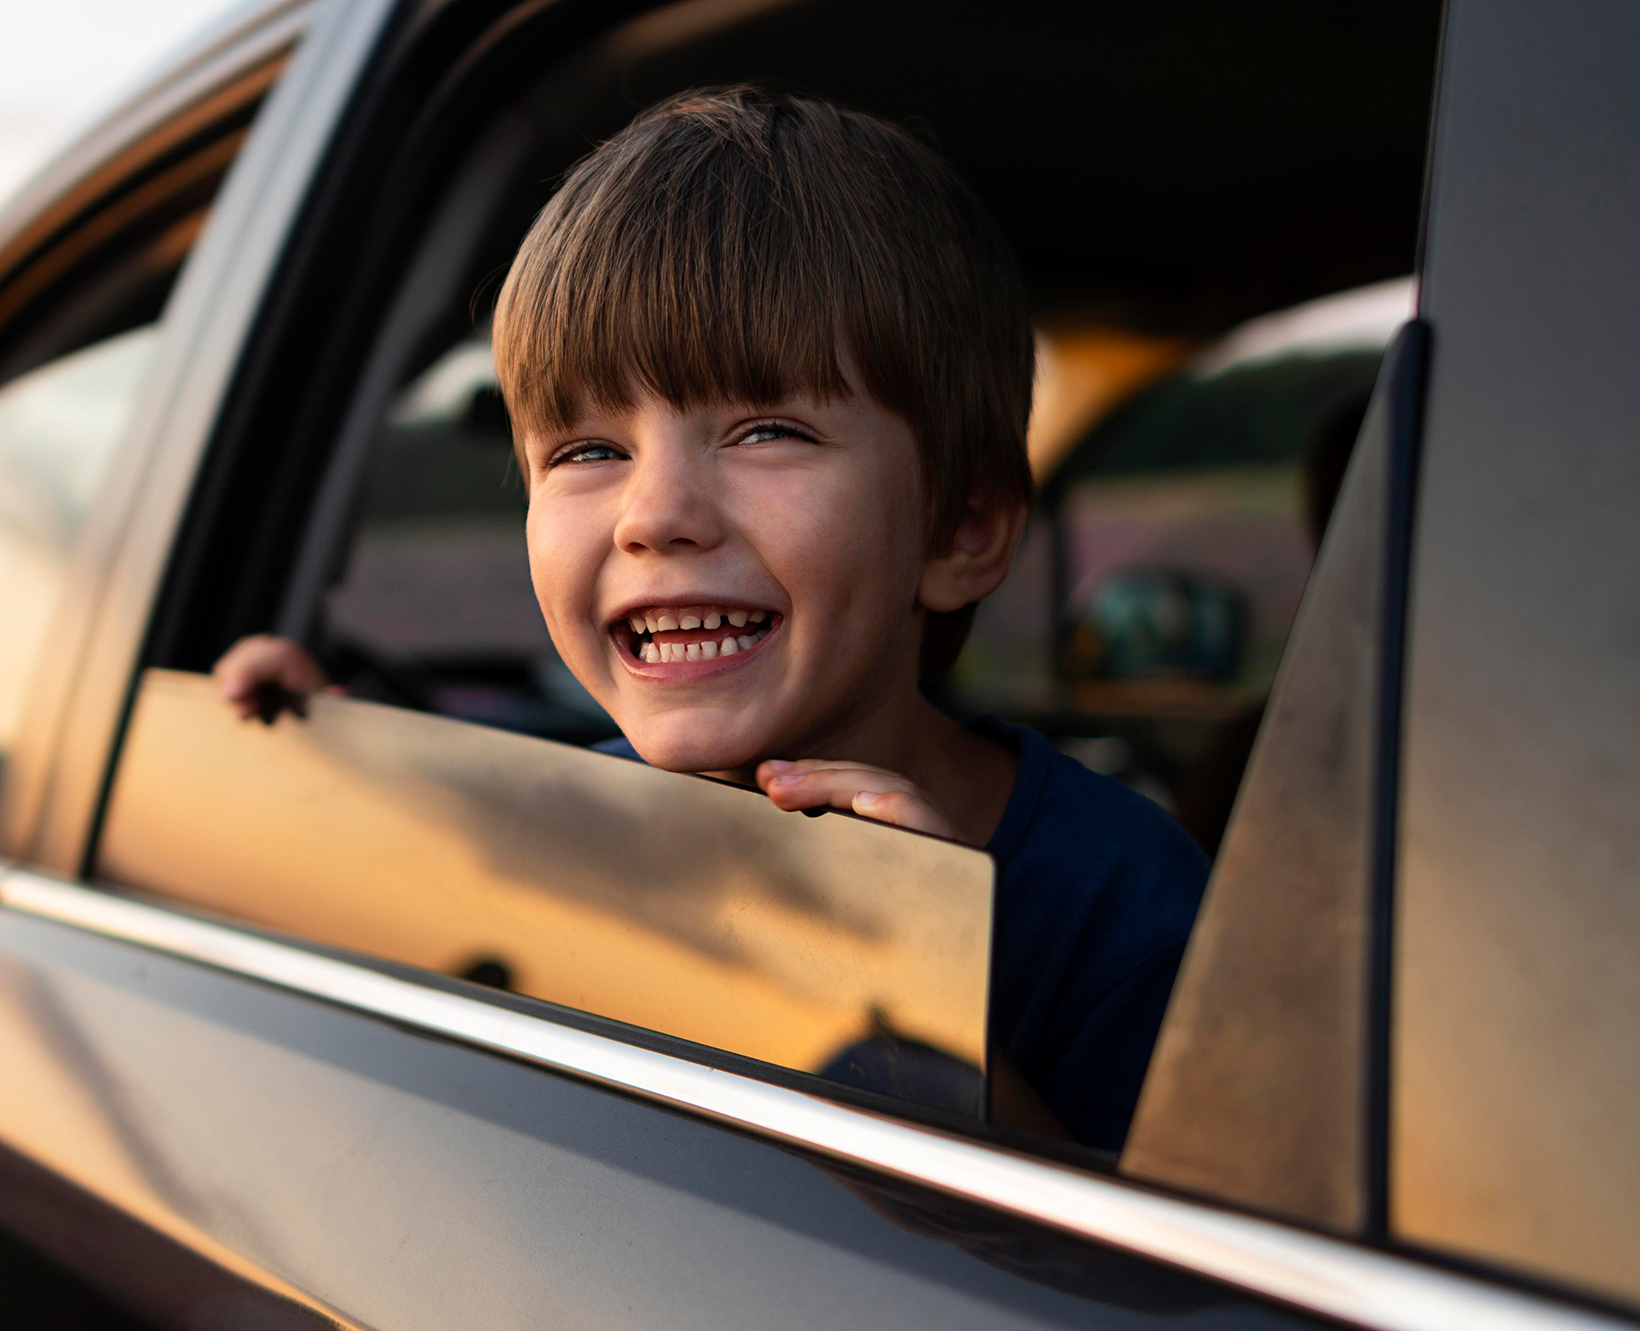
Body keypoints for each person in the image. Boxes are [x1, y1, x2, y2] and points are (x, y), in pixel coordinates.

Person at [213, 86, 1208, 1153]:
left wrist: (923, 1019)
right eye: (587, 450)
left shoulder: (1125, 904)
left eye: (766, 430)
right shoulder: (559, 816)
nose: (657, 515)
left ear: (959, 530)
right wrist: (323, 761)